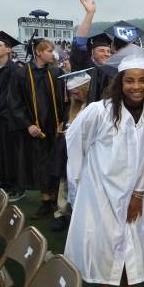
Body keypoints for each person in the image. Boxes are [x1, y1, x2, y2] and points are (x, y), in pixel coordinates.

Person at [64, 45, 144, 287]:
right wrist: (81, 182)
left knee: (132, 247)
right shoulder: (98, 111)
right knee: (101, 247)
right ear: (120, 82)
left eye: (143, 80)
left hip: (134, 196)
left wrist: (139, 193)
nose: (136, 86)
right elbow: (74, 141)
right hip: (99, 194)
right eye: (130, 80)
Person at [8, 38, 65, 219]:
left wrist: (62, 122)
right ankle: (46, 202)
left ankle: (56, 201)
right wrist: (27, 124)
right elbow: (14, 103)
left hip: (54, 128)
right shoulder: (21, 74)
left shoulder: (56, 73)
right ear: (38, 52)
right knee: (41, 166)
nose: (52, 54)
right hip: (35, 129)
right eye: (49, 50)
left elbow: (64, 101)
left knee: (55, 164)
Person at [51, 69, 91, 232]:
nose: (75, 96)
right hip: (68, 153)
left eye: (78, 92)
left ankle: (79, 215)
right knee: (65, 182)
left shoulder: (93, 107)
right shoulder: (72, 108)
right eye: (73, 93)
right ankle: (62, 213)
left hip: (85, 153)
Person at [0, 31, 23, 201]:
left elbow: (15, 99)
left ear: (9, 50)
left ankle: (14, 187)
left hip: (8, 121)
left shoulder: (16, 71)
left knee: (9, 154)